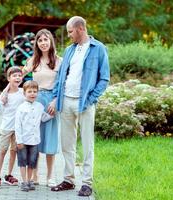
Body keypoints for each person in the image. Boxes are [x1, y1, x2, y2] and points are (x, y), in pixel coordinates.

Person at [49, 16, 110, 196]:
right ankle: (68, 180)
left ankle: (86, 183)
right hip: (66, 101)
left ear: (80, 29)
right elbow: (61, 76)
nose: (69, 35)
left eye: (70, 32)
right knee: (67, 144)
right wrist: (55, 97)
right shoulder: (69, 50)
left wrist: (90, 99)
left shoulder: (98, 49)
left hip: (85, 103)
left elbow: (104, 78)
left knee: (87, 144)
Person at [22, 29, 62, 187]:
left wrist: (56, 101)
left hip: (52, 102)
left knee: (51, 139)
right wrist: (6, 93)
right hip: (36, 102)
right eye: (40, 40)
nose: (43, 43)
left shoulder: (59, 61)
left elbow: (62, 85)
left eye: (46, 39)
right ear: (37, 44)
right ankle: (35, 175)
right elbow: (18, 77)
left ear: (51, 41)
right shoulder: (33, 60)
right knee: (35, 139)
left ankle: (50, 176)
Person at [14, 80, 53, 192]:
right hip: (23, 140)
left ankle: (30, 180)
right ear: (24, 93)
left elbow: (43, 118)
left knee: (32, 162)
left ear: (37, 93)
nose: (32, 94)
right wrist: (19, 140)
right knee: (23, 161)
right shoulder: (21, 108)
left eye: (34, 91)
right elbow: (17, 125)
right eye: (29, 91)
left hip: (34, 140)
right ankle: (24, 181)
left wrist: (51, 115)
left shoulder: (39, 106)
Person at [0, 67, 25, 189]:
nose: (17, 78)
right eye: (14, 76)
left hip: (18, 128)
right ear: (9, 78)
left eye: (19, 76)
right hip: (6, 127)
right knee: (2, 151)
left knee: (14, 151)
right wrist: (2, 100)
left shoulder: (22, 92)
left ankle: (9, 175)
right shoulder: (4, 95)